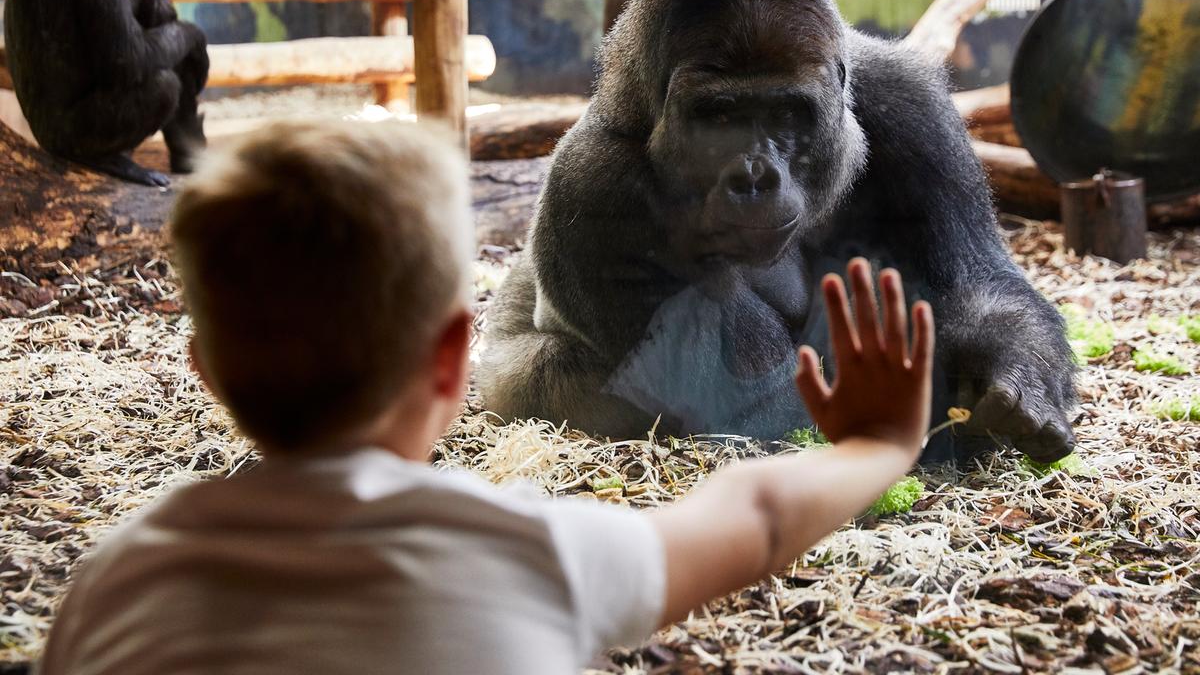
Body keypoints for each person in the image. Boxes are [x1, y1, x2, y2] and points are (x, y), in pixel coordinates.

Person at [38, 120, 934, 675]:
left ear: (207, 372)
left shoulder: (115, 581)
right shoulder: (523, 551)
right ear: (453, 360)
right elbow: (760, 516)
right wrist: (877, 446)